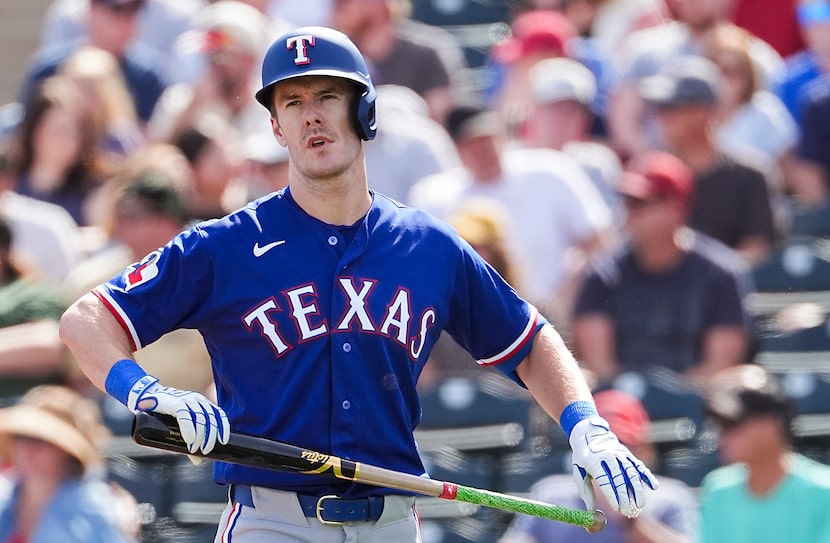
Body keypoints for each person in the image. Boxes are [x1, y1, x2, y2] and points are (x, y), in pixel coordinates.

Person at [59, 26, 657, 542]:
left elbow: (529, 340)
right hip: (271, 520)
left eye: (326, 96)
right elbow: (87, 320)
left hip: (393, 520)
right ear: (275, 126)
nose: (311, 115)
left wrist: (588, 427)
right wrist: (145, 391)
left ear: (364, 111)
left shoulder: (428, 244)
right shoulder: (227, 244)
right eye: (292, 103)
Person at [410, 103, 613, 321]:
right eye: (470, 142)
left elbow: (597, 240)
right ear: (456, 148)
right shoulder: (434, 197)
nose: (482, 149)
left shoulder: (549, 171)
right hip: (478, 325)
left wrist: (567, 301)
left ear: (502, 135)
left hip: (565, 314)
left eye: (486, 138)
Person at [571, 151, 754, 386]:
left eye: (640, 203)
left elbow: (719, 367)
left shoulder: (721, 274)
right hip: (620, 407)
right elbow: (599, 365)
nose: (629, 212)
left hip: (699, 409)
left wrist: (670, 400)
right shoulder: (603, 273)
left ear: (675, 207)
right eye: (627, 202)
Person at [499, 389, 698, 543]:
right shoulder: (550, 494)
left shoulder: (670, 496)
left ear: (644, 449)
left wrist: (629, 519)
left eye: (621, 443)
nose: (609, 454)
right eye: (598, 444)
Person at [639, 55, 777, 265]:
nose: (662, 117)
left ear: (703, 112)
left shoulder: (750, 175)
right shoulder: (648, 174)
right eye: (659, 109)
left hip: (728, 294)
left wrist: (707, 281)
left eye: (672, 108)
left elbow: (757, 248)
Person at [699, 364, 830, 543]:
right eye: (718, 425)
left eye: (731, 423)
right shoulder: (717, 489)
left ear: (771, 425)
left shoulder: (824, 491)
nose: (722, 436)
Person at [0, 384, 136, 543]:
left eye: (41, 440)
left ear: (67, 452)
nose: (28, 448)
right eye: (21, 436)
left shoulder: (93, 508)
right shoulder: (5, 495)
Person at [20, 0, 167, 125]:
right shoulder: (48, 71)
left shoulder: (147, 78)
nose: (127, 20)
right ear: (92, 9)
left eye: (134, 10)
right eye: (117, 10)